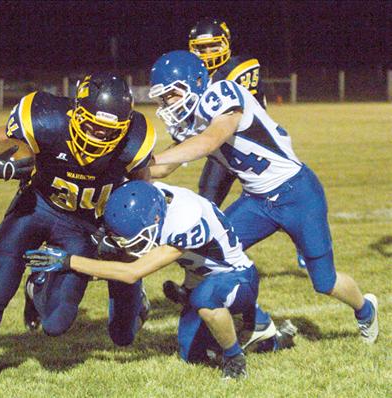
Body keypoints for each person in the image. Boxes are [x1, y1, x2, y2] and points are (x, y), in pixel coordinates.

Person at [148, 50, 379, 345]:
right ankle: (257, 323)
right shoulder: (191, 119)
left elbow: (209, 141)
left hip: (297, 194)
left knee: (325, 282)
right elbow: (166, 167)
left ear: (194, 83)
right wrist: (129, 172)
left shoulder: (222, 92)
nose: (166, 104)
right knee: (207, 250)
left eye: (170, 95)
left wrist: (149, 162)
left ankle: (365, 308)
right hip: (257, 201)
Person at [0, 73, 156, 393]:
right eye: (92, 125)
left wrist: (121, 231)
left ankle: (37, 287)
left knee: (57, 324)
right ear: (76, 113)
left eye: (109, 130)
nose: (97, 136)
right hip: (35, 208)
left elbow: (142, 190)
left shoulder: (134, 140)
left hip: (83, 226)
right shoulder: (46, 118)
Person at [24, 180, 298, 379]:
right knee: (191, 354)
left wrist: (68, 261)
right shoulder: (152, 202)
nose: (129, 245)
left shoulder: (184, 220)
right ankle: (261, 330)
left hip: (237, 278)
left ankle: (234, 358)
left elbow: (132, 272)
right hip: (203, 279)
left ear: (156, 219)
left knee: (205, 297)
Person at [188, 18, 266, 206]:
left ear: (226, 42)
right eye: (202, 48)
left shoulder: (239, 68)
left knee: (277, 201)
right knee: (206, 203)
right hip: (223, 148)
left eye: (213, 46)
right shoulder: (196, 76)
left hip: (255, 146)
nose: (208, 53)